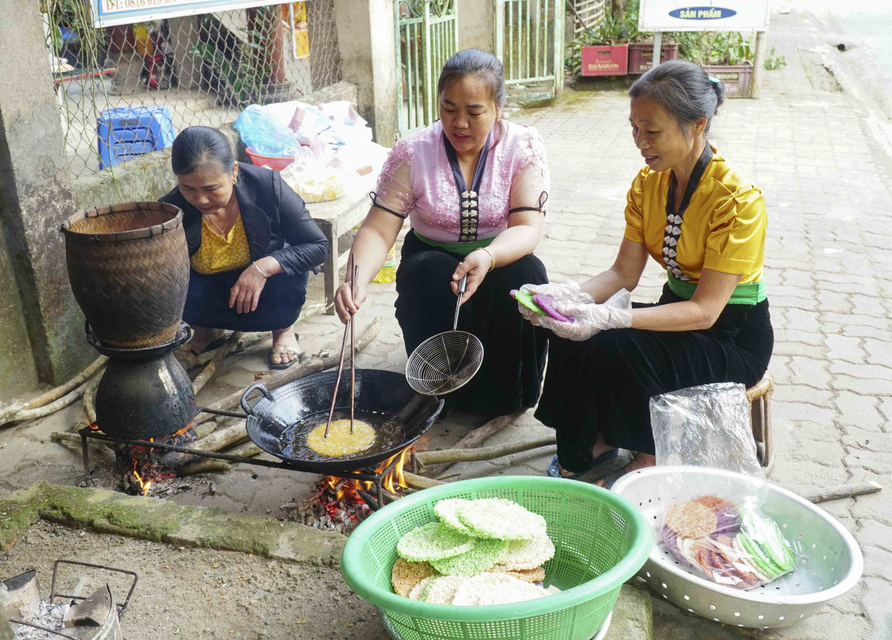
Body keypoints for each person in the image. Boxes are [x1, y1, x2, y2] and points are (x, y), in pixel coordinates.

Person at [522, 60, 774, 487]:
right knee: (571, 330)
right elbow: (623, 272)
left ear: (697, 125)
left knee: (617, 342)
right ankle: (589, 443)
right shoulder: (648, 184)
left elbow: (706, 312)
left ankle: (651, 452)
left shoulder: (737, 200)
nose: (640, 141)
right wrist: (568, 298)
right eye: (634, 128)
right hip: (678, 313)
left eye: (651, 130)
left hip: (731, 336)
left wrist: (615, 317)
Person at [334, 49, 550, 417]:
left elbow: (527, 228)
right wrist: (357, 278)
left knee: (528, 275)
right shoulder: (413, 151)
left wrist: (488, 256)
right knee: (430, 271)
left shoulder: (522, 147)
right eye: (449, 109)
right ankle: (440, 390)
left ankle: (504, 394)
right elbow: (378, 227)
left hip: (499, 253)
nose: (459, 123)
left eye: (474, 112)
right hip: (432, 260)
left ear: (498, 107)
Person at [160, 126, 330, 367]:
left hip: (266, 290)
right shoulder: (171, 208)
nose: (200, 200)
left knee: (287, 267)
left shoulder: (268, 187)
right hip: (211, 291)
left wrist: (262, 268)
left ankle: (282, 330)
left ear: (234, 171)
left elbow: (317, 246)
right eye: (188, 188)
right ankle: (205, 330)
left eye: (211, 188)